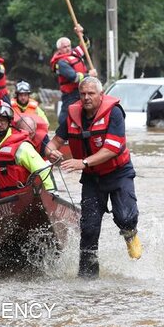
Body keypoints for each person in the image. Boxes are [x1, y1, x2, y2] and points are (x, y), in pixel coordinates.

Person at [46, 77, 141, 278]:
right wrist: (50, 151)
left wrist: (83, 162)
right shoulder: (73, 116)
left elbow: (112, 149)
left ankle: (130, 233)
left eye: (91, 93)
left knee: (125, 217)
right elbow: (53, 142)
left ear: (101, 95)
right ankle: (87, 277)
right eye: (83, 94)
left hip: (118, 173)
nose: (87, 98)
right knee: (88, 229)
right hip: (92, 178)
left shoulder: (114, 113)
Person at [50, 24, 98, 129]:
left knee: (87, 114)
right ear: (59, 49)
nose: (67, 49)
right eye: (64, 47)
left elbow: (86, 45)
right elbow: (73, 77)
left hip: (82, 91)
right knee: (66, 117)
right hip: (71, 95)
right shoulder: (61, 63)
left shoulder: (74, 53)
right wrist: (89, 75)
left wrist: (81, 34)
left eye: (68, 46)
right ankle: (62, 136)